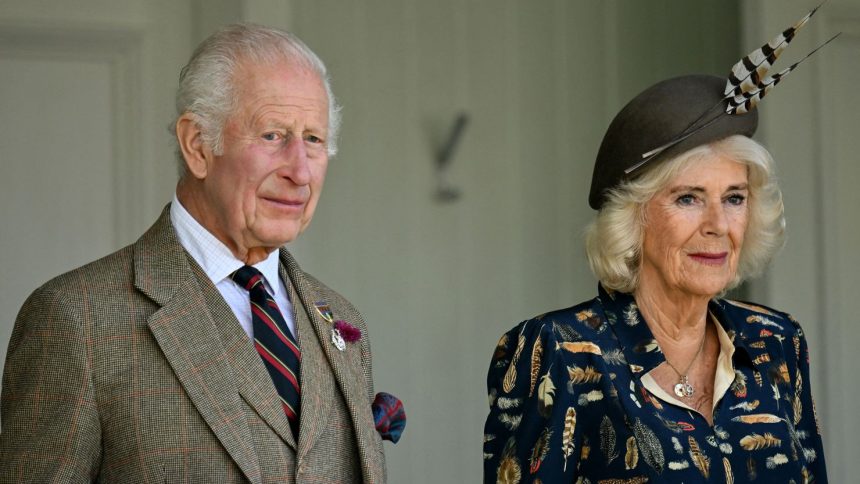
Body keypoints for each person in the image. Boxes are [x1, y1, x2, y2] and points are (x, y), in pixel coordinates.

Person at [0, 24, 401, 482]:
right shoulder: (77, 320)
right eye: (273, 135)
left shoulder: (344, 322)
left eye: (313, 139)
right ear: (197, 146)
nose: (300, 171)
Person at [483, 11, 831, 482]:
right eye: (688, 198)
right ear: (635, 217)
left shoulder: (776, 342)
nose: (717, 225)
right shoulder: (558, 351)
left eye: (734, 198)